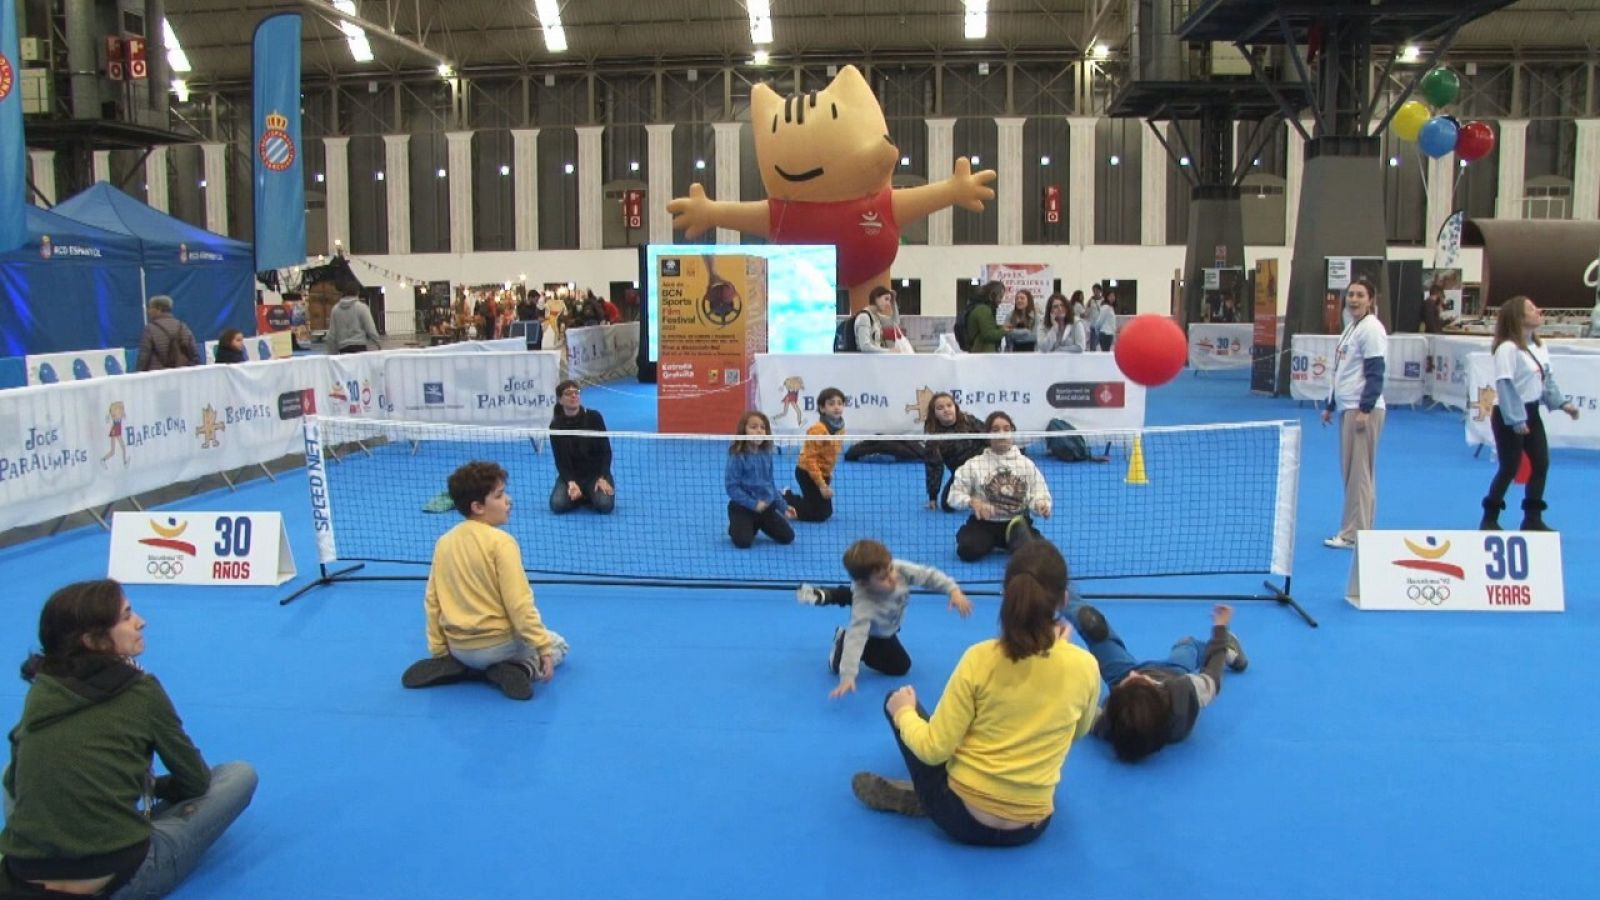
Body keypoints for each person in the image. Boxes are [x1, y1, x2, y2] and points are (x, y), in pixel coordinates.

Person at [0, 580, 257, 897]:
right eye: (126, 616)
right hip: (119, 879)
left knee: (16, 766)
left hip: (21, 879)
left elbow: (13, 784)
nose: (141, 621)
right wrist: (155, 787)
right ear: (94, 640)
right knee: (238, 775)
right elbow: (195, 781)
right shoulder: (141, 691)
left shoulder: (44, 686)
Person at [849, 539, 1099, 846]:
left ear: (1007, 595)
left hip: (961, 819)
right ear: (1062, 599)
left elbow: (933, 749)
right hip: (1031, 828)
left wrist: (902, 711)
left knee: (897, 700)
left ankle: (927, 798)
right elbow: (1079, 732)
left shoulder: (980, 659)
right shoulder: (1086, 666)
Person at [401, 461, 570, 700]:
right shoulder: (502, 543)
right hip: (499, 646)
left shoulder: (444, 542)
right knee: (558, 644)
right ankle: (521, 668)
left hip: (458, 647)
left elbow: (432, 601)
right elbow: (519, 604)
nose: (508, 500)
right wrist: (542, 647)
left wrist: (440, 650)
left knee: (473, 653)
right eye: (500, 496)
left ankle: (461, 667)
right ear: (478, 506)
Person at [1065, 592, 1248, 762]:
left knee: (1093, 625)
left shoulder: (1108, 724)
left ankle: (1055, 591)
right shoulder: (1185, 692)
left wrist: (1058, 650)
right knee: (1187, 644)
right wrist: (1221, 628)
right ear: (1159, 692)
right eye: (1141, 679)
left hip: (1127, 689)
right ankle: (1231, 652)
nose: (1133, 673)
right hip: (1173, 671)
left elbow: (1078, 707)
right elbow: (1213, 673)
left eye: (1128, 681)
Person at [795, 539, 972, 699]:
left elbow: (928, 575)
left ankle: (831, 595)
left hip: (888, 624)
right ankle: (841, 641)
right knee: (901, 667)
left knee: (898, 663)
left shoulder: (898, 569)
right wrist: (848, 676)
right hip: (875, 635)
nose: (892, 578)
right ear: (864, 583)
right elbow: (856, 638)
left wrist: (953, 590)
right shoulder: (864, 606)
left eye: (890, 570)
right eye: (883, 578)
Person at [1479, 296, 1581, 531]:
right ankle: (1490, 517)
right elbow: (1505, 386)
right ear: (1518, 317)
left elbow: (1547, 381)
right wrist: (1516, 419)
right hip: (1508, 413)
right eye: (1532, 309)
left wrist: (1563, 404)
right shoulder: (1507, 349)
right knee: (1509, 467)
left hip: (1532, 411)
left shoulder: (1539, 346)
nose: (1539, 311)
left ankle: (1532, 517)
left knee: (1541, 463)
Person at [1320, 276, 1387, 550]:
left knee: (1359, 473)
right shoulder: (1351, 328)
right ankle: (1355, 529)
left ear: (1370, 300)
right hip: (1348, 407)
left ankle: (1355, 534)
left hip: (1363, 411)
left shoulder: (1371, 329)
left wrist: (1365, 408)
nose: (1354, 299)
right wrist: (1330, 405)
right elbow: (1342, 371)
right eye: (1351, 295)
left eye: (1360, 295)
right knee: (1351, 472)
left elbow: (1375, 371)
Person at [947, 411, 1052, 561]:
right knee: (967, 551)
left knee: (1035, 556)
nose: (1001, 434)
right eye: (995, 430)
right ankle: (993, 541)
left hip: (1017, 523)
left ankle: (1012, 540)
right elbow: (953, 496)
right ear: (987, 435)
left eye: (1006, 429)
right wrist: (972, 502)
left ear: (1012, 433)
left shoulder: (1026, 465)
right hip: (984, 524)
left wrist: (1041, 505)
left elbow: (1039, 493)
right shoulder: (974, 465)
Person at [726, 410, 797, 548]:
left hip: (764, 508)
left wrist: (783, 507)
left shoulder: (766, 454)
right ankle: (737, 524)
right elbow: (732, 487)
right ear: (743, 431)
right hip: (743, 507)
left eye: (762, 427)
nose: (759, 431)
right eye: (753, 427)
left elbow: (769, 484)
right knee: (743, 542)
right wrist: (753, 504)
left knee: (788, 537)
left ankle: (756, 523)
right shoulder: (737, 456)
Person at [548, 380, 616, 515]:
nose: (574, 396)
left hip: (596, 475)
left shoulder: (594, 417)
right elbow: (560, 460)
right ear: (560, 400)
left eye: (576, 392)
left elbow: (606, 451)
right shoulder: (555, 426)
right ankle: (582, 494)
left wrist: (602, 477)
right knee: (557, 505)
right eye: (568, 394)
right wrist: (571, 482)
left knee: (604, 505)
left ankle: (588, 493)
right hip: (572, 476)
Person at [783, 388, 844, 523]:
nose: (836, 407)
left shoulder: (840, 428)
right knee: (818, 515)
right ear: (822, 408)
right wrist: (822, 485)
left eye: (840, 403)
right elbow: (810, 460)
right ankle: (785, 498)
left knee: (827, 513)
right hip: (807, 472)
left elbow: (832, 453)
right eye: (831, 403)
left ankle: (801, 501)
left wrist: (828, 473)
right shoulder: (817, 430)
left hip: (823, 473)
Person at [922, 392, 986, 512]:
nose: (946, 410)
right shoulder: (934, 440)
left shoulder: (969, 421)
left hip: (984, 468)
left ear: (955, 407)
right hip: (962, 475)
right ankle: (973, 492)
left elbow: (990, 439)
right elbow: (934, 468)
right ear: (934, 414)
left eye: (949, 405)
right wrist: (933, 497)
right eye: (940, 408)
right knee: (947, 504)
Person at [135, 295, 200, 371]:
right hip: (180, 374)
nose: (148, 311)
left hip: (158, 376)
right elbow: (194, 354)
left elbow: (144, 356)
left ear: (159, 309)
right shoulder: (182, 327)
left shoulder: (150, 329)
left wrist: (139, 373)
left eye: (151, 308)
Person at [855, 286, 911, 354]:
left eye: (889, 301)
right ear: (876, 298)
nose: (888, 304)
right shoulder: (864, 317)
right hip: (866, 361)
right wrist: (889, 351)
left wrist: (893, 302)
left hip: (875, 360)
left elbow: (895, 322)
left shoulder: (876, 317)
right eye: (886, 299)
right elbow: (865, 346)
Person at [963, 281, 1007, 353]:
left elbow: (988, 327)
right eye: (1000, 297)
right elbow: (988, 335)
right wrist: (1004, 331)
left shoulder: (981, 308)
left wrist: (1000, 327)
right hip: (983, 353)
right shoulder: (983, 310)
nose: (1000, 301)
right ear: (992, 295)